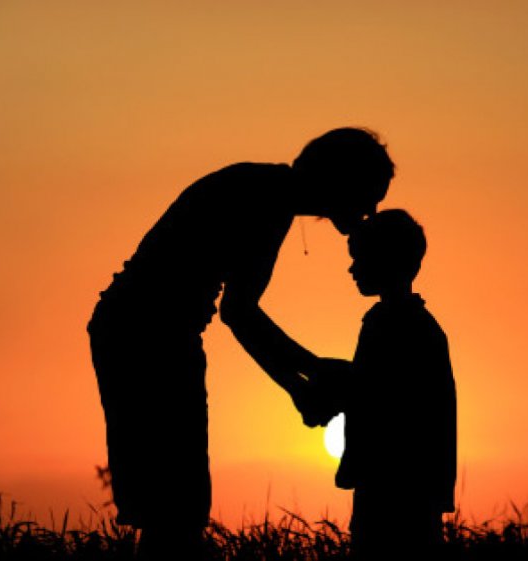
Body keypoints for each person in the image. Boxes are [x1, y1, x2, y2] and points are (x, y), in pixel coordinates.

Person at [87, 128, 395, 559]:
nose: (370, 211)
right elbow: (240, 312)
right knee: (176, 506)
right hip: (146, 336)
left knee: (173, 506)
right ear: (343, 180)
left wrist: (300, 382)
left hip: (147, 332)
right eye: (370, 195)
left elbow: (238, 311)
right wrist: (309, 374)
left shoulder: (268, 192)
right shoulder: (265, 199)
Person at [313, 209, 456, 558]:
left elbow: (382, 399)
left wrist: (328, 387)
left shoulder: (398, 325)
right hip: (403, 486)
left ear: (386, 262)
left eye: (360, 259)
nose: (352, 269)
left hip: (395, 486)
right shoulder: (405, 322)